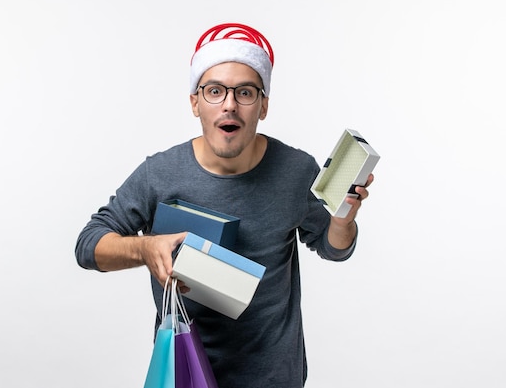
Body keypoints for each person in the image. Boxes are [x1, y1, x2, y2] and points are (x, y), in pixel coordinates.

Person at [75, 22, 374, 388]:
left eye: (245, 93)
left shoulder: (296, 171)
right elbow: (88, 246)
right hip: (186, 375)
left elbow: (333, 248)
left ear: (263, 106)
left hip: (276, 378)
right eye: (215, 91)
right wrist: (144, 248)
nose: (229, 105)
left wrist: (343, 220)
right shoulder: (160, 173)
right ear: (194, 103)